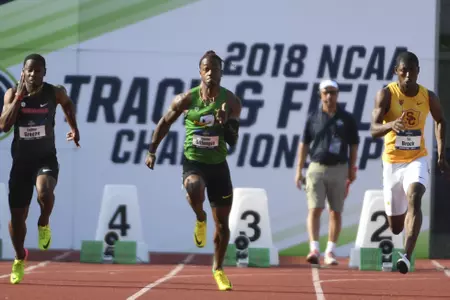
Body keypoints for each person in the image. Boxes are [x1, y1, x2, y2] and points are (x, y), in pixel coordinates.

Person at [145, 50, 242, 291]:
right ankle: (200, 217)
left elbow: (233, 141)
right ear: (200, 72)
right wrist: (152, 150)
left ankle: (218, 269)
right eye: (206, 69)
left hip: (218, 165)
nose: (211, 73)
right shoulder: (186, 99)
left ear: (222, 72)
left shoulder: (231, 102)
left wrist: (224, 123)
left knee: (222, 226)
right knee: (194, 186)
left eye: (215, 69)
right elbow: (165, 123)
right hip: (194, 161)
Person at [0, 53, 80, 284]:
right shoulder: (12, 93)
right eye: (29, 70)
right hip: (21, 163)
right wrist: (18, 98)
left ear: (44, 72)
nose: (34, 74)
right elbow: (4, 125)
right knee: (17, 218)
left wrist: (74, 128)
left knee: (45, 192)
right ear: (23, 72)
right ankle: (19, 257)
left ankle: (44, 222)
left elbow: (67, 104)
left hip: (45, 158)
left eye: (38, 70)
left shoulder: (53, 92)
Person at [370, 51, 449, 274]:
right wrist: (390, 125)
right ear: (396, 72)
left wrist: (441, 154)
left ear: (417, 72)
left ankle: (406, 255)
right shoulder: (386, 95)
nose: (407, 75)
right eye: (403, 71)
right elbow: (373, 129)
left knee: (415, 195)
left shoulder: (428, 96)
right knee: (395, 227)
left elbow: (441, 121)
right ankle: (405, 217)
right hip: (392, 163)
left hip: (417, 158)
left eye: (411, 70)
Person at [295, 79, 360, 266]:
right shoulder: (313, 117)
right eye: (326, 92)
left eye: (332, 92)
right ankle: (314, 248)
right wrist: (299, 170)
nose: (329, 96)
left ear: (337, 94)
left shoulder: (347, 118)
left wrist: (352, 168)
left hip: (339, 169)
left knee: (335, 211)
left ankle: (330, 251)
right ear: (320, 94)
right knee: (314, 209)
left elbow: (354, 145)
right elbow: (304, 145)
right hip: (316, 168)